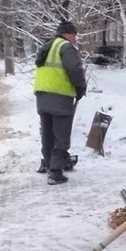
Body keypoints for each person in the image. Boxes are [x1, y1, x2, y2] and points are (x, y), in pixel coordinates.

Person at [33, 20, 87, 185]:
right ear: (69, 33)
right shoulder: (66, 46)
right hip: (59, 96)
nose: (75, 38)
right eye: (74, 35)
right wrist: (81, 88)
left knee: (48, 132)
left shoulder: (49, 45)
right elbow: (75, 69)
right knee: (61, 134)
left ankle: (49, 164)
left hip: (42, 96)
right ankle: (56, 172)